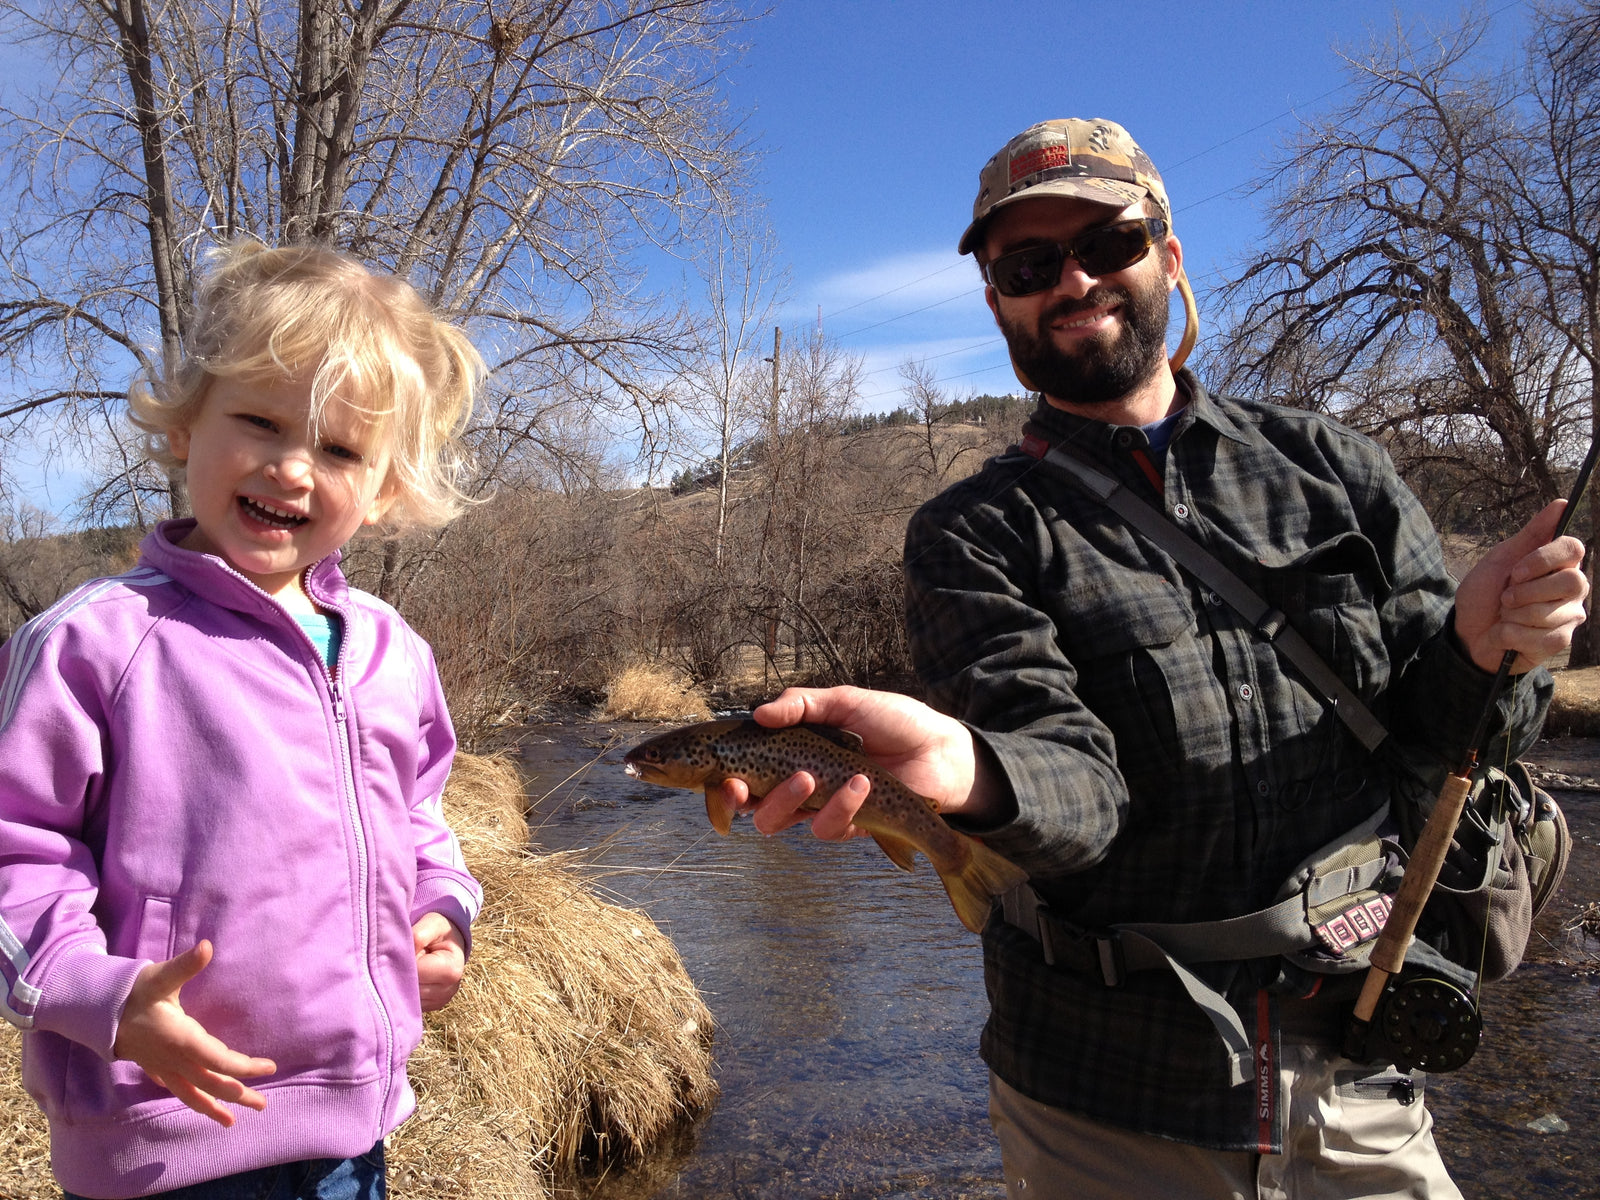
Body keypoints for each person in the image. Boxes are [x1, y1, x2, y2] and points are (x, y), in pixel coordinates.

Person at [713, 118, 1590, 1199]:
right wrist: (963, 771)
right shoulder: (974, 532)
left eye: (1107, 243)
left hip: (1365, 1064)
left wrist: (1490, 647)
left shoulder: (1337, 471)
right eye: (1029, 265)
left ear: (1168, 259)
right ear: (997, 302)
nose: (1073, 280)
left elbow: (1446, 741)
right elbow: (1076, 792)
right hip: (1105, 1102)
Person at [0, 241, 486, 1200]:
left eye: (341, 449)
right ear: (186, 425)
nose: (293, 468)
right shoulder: (100, 641)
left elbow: (420, 817)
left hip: (351, 1130)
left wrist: (442, 913)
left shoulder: (393, 653)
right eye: (260, 420)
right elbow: (14, 847)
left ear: (386, 488)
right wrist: (101, 996)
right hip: (161, 1136)